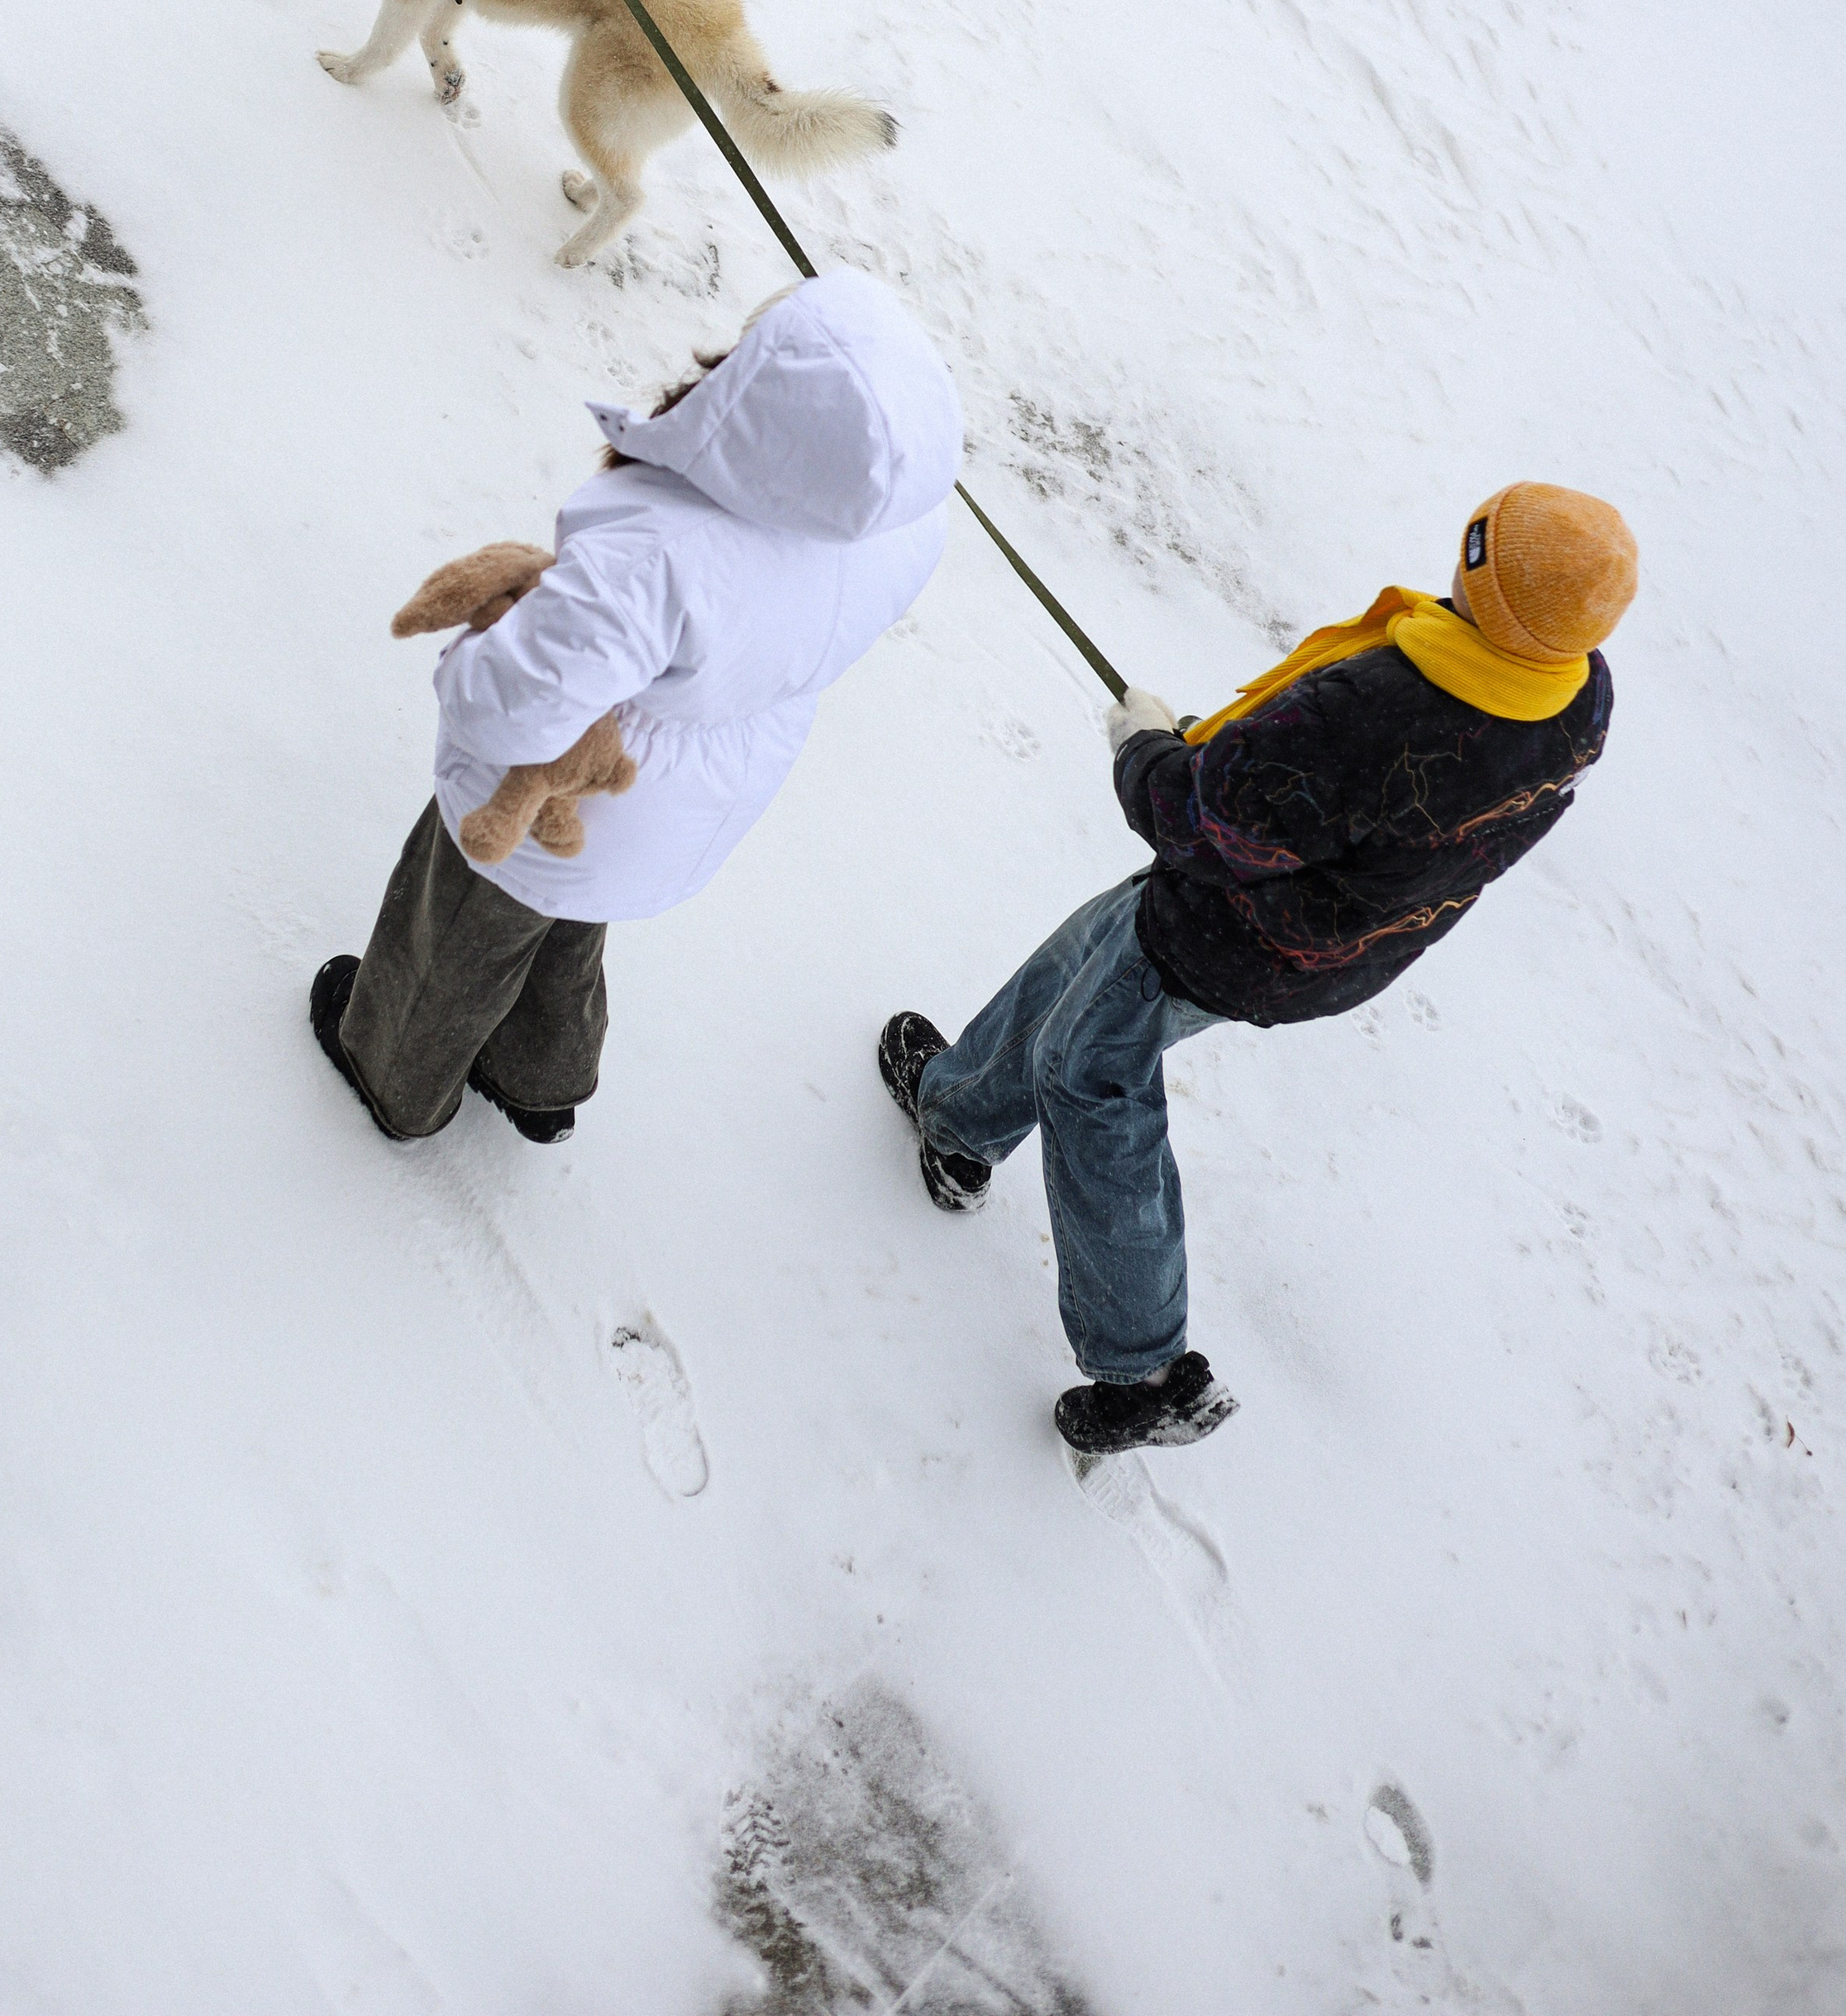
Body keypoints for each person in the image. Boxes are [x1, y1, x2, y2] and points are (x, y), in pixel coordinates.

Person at [880, 483, 1638, 1457]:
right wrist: (1253, 777)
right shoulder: (1574, 694)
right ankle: (959, 1118)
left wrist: (1148, 749)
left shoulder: (1388, 705)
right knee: (1087, 951)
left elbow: (1195, 822)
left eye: (1476, 557)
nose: (1458, 565)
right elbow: (1358, 812)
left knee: (1091, 1071)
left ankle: (1145, 1371)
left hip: (1233, 935)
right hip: (1327, 937)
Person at [312, 273, 962, 1145]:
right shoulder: (893, 523)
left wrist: (489, 635)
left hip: (557, 796)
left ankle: (393, 1073)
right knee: (572, 922)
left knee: (460, 930)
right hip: (689, 799)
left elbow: (511, 710)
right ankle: (541, 1078)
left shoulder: (660, 555)